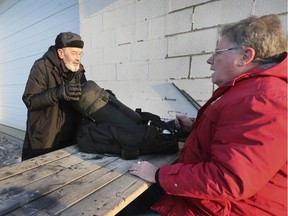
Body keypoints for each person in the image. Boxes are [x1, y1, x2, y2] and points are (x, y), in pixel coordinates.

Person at [125, 14, 287, 215]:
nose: (210, 60)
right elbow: (234, 138)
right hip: (206, 200)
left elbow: (229, 179)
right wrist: (195, 127)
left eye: (218, 52)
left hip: (221, 208)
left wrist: (158, 174)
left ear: (246, 56)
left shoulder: (262, 98)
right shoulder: (251, 91)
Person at [22, 32, 87, 160]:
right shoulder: (41, 67)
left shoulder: (78, 70)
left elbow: (83, 94)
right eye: (74, 53)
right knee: (38, 175)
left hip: (70, 136)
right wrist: (58, 93)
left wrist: (100, 97)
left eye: (80, 53)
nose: (78, 58)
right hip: (44, 139)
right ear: (60, 53)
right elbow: (30, 100)